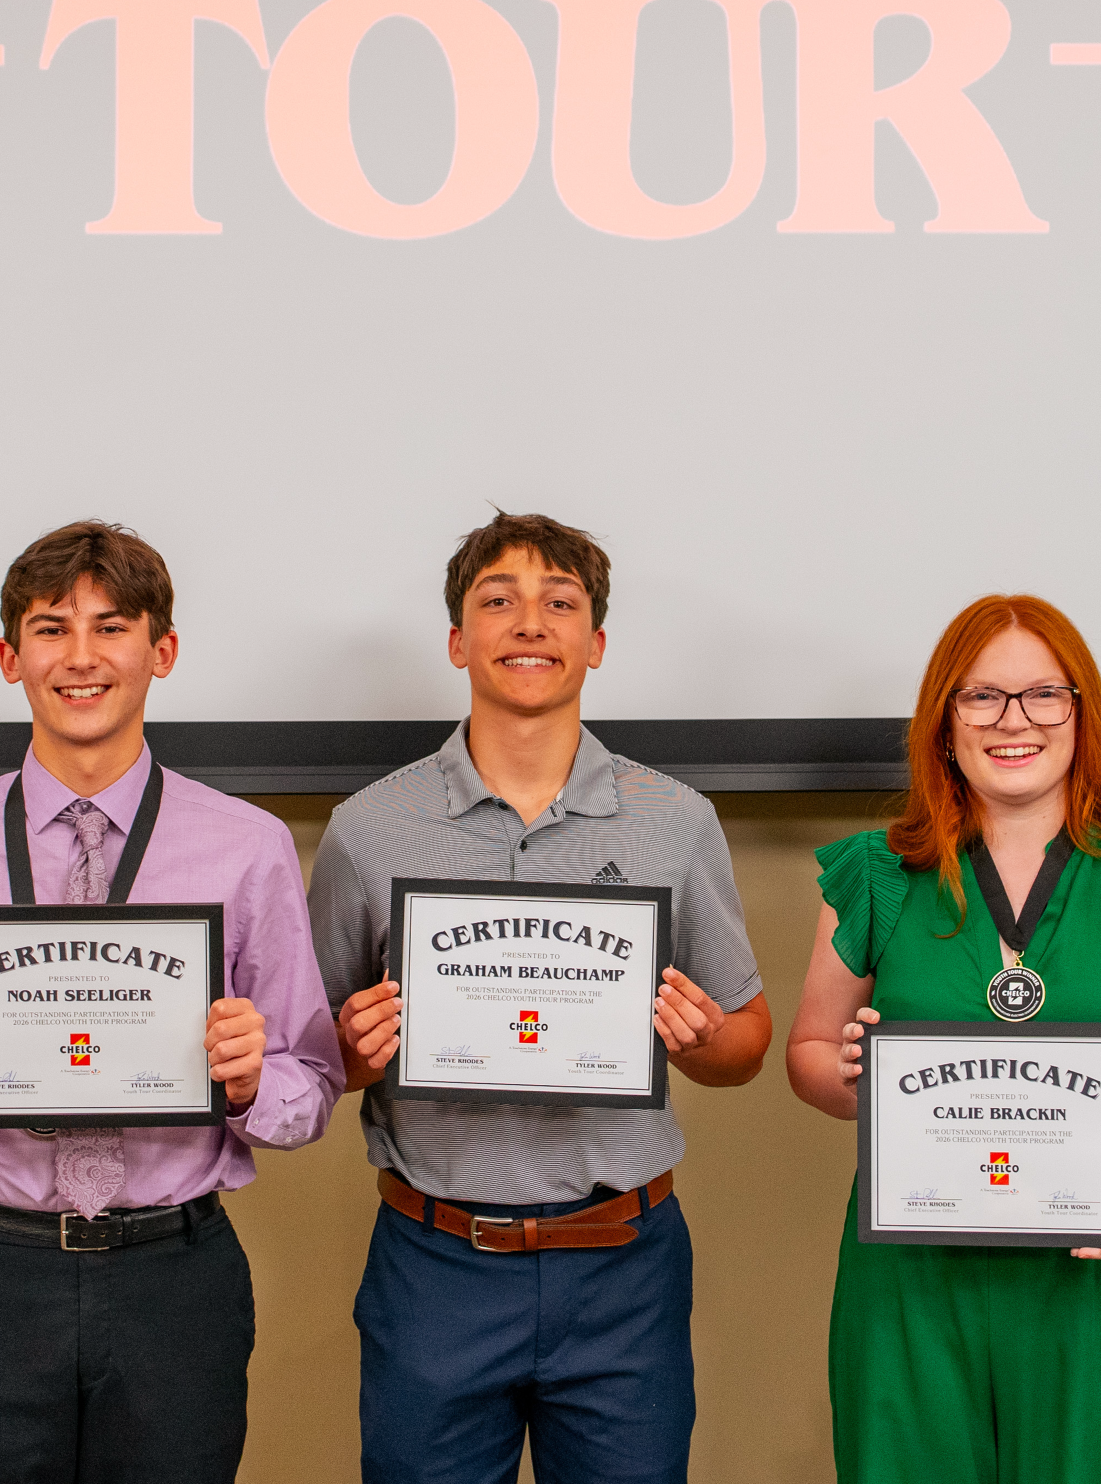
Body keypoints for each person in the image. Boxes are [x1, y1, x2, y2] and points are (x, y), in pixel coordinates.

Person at [0, 520, 341, 1484]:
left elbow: (311, 1089)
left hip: (175, 1277)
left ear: (163, 651)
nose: (80, 657)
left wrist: (249, 1085)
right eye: (50, 629)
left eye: (111, 627)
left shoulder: (249, 847)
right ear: (9, 658)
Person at [308, 512, 772, 1484]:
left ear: (595, 642)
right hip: (435, 1261)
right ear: (457, 640)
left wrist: (702, 1039)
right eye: (499, 600)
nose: (530, 622)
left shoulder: (677, 820)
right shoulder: (367, 827)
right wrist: (351, 1046)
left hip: (623, 1264)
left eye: (560, 602)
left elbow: (747, 1043)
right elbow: (313, 1062)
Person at [788, 593, 1101, 1484]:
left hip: (1090, 1272)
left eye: (1043, 695)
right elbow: (809, 1053)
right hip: (912, 1278)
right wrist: (847, 1077)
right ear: (945, 720)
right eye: (982, 696)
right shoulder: (878, 876)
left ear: (1082, 712)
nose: (1013, 721)